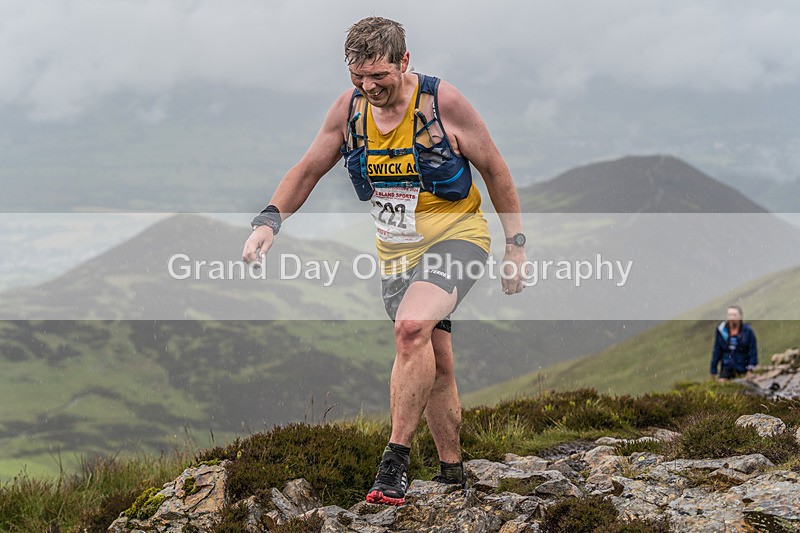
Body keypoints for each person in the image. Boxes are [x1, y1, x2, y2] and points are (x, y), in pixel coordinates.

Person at [242, 17, 527, 506]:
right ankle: (452, 472)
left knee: (410, 329)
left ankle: (393, 464)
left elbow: (494, 167)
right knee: (435, 362)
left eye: (379, 77)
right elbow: (309, 168)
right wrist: (269, 221)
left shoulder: (442, 103)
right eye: (358, 78)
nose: (369, 88)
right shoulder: (350, 110)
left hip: (459, 237)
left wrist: (515, 246)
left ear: (404, 62)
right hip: (396, 254)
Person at [710, 305, 758, 381]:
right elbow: (717, 350)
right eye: (730, 315)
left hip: (743, 367)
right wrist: (713, 370)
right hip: (726, 367)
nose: (732, 318)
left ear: (740, 316)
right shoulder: (721, 330)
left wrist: (751, 368)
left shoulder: (748, 331)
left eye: (734, 315)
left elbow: (752, 351)